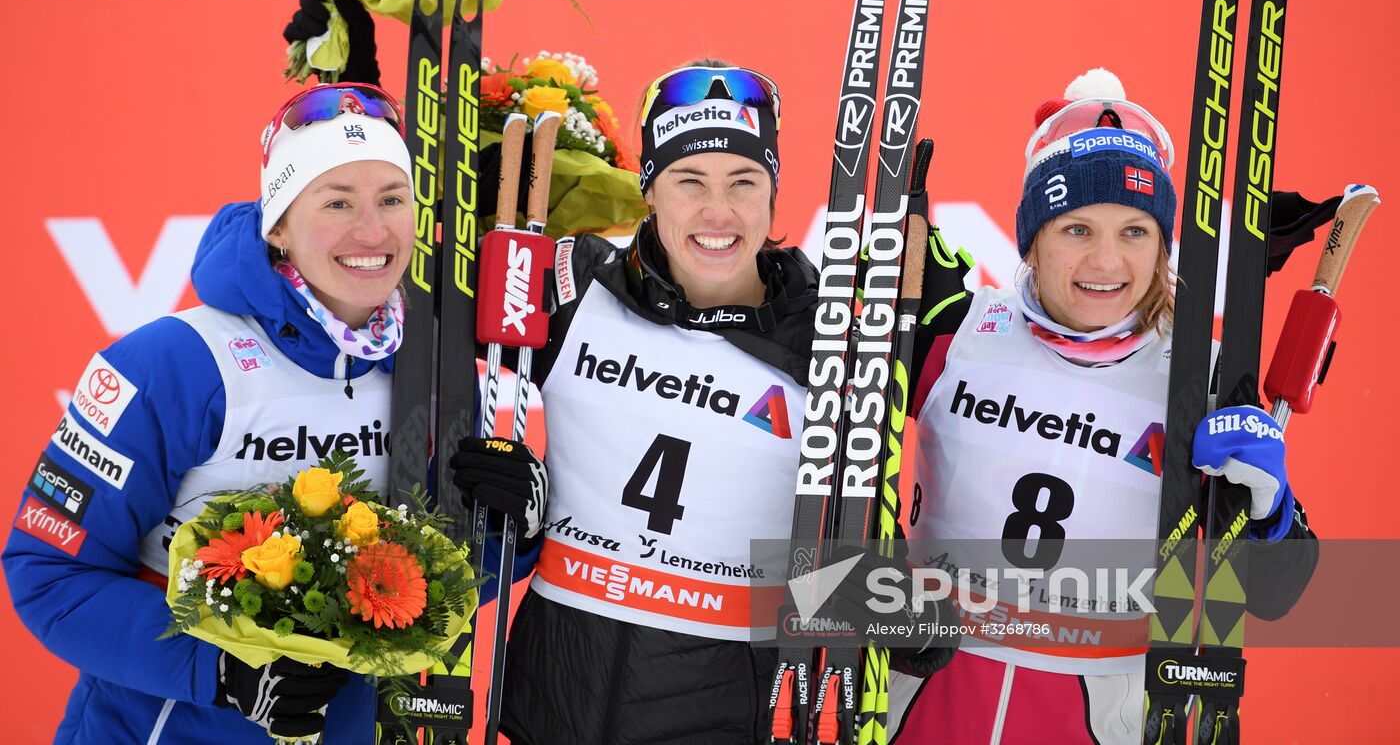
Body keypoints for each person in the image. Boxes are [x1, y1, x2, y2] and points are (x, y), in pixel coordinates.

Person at [884, 69, 1320, 744]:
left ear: (1164, 246)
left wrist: (1270, 513)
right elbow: (825, 501)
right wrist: (867, 602)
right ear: (1031, 237)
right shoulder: (955, 332)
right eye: (1077, 229)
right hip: (923, 711)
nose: (1106, 261)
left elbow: (1276, 596)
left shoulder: (1200, 381)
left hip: (1091, 720)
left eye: (1135, 232)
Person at [4, 82, 417, 743]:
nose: (371, 230)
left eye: (391, 199)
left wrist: (511, 525)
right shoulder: (174, 362)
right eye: (336, 201)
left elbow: (445, 586)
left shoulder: (433, 370)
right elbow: (51, 574)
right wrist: (222, 673)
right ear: (278, 224)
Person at [452, 60, 839, 743]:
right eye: (690, 181)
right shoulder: (575, 287)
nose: (718, 212)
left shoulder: (827, 344)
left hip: (718, 714)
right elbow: (408, 335)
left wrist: (910, 615)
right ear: (650, 190)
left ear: (773, 195)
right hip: (548, 705)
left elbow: (847, 548)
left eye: (744, 183)